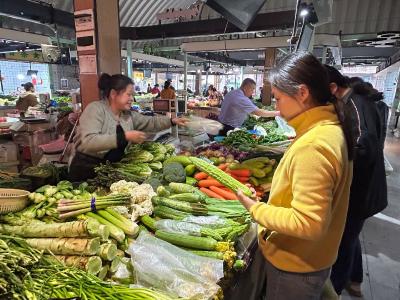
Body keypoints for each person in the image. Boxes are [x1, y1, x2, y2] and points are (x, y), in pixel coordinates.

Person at [235, 52, 354, 300]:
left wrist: (256, 209)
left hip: (296, 265)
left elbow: (308, 223)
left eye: (278, 99)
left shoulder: (315, 144)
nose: (276, 107)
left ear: (302, 93)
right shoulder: (330, 128)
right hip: (311, 258)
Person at [326, 67, 387, 297]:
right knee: (351, 236)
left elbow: (364, 145)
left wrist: (333, 166)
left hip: (362, 189)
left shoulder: (355, 104)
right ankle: (355, 279)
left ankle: (336, 288)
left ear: (333, 88)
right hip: (366, 186)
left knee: (344, 241)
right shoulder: (356, 100)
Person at [69, 74, 186, 181]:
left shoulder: (127, 115)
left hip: (110, 171)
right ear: (113, 94)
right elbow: (88, 142)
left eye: (133, 95)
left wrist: (172, 121)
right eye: (129, 94)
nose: (131, 99)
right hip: (85, 170)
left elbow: (150, 122)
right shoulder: (95, 109)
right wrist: (124, 136)